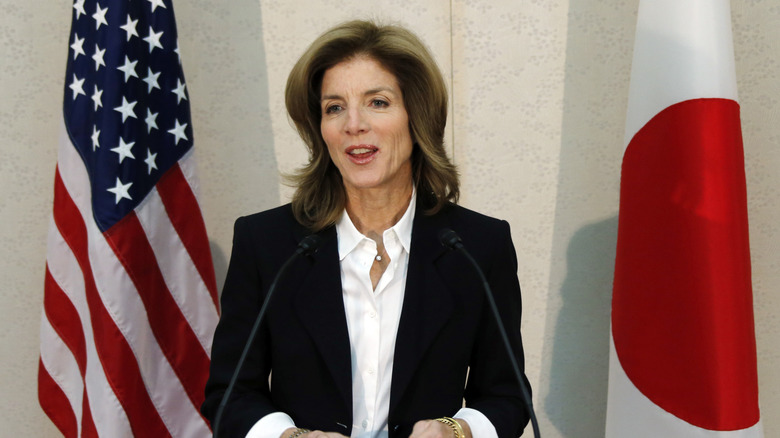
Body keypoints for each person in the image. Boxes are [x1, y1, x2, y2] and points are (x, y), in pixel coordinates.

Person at [202, 19, 531, 438]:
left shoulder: (477, 246)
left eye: (377, 102)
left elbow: (507, 396)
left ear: (417, 116)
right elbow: (230, 393)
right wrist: (290, 437)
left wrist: (456, 431)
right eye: (334, 107)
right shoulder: (267, 243)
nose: (353, 124)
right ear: (320, 130)